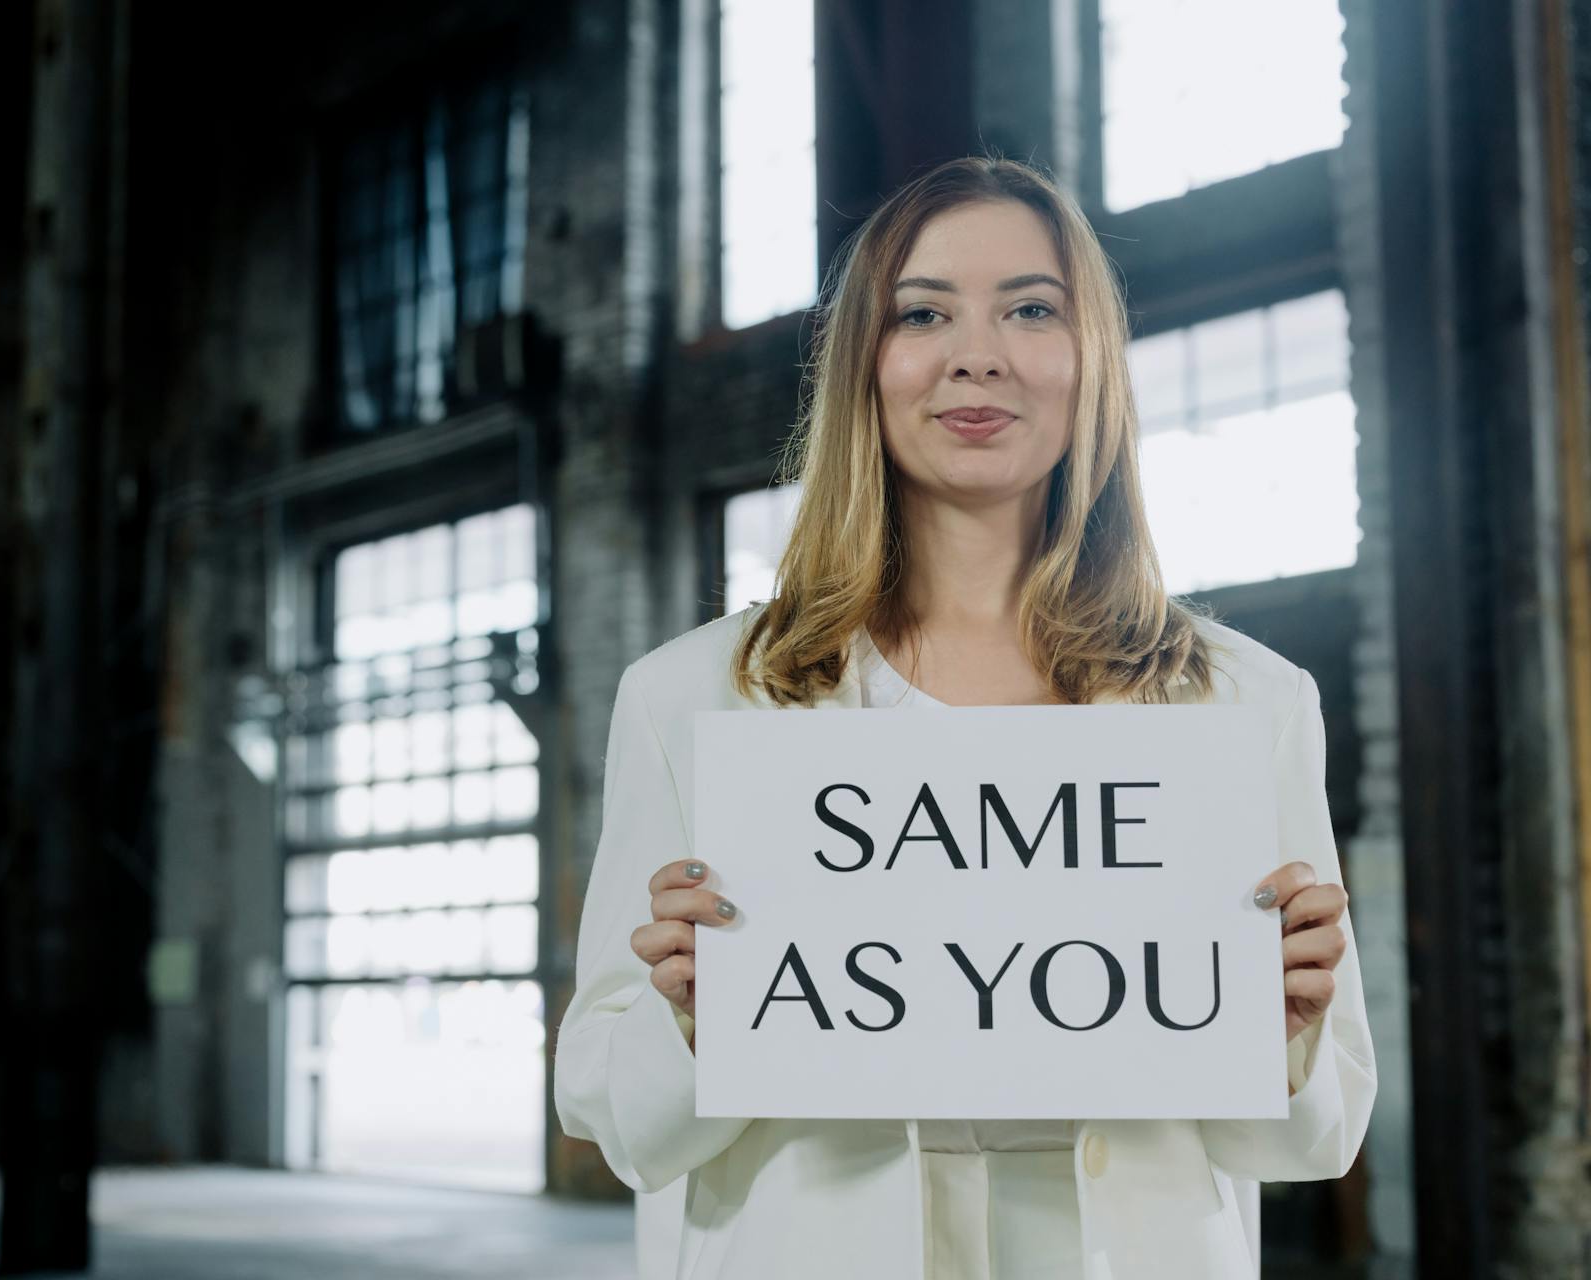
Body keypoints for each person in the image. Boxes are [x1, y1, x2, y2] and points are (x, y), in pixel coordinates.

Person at [551, 154, 1376, 1279]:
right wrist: (690, 1019)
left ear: (1089, 362)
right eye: (923, 312)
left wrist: (1285, 1024)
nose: (976, 353)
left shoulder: (1241, 700)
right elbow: (609, 1108)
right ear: (864, 369)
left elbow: (1317, 1137)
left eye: (1032, 308)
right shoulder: (693, 696)